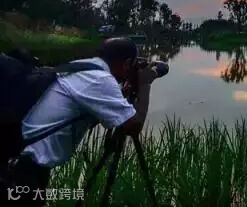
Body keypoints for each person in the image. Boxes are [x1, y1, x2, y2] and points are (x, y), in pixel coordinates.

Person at [10, 38, 158, 205]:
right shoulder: (100, 79)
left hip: (18, 156)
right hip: (24, 169)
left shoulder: (82, 67)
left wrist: (122, 93)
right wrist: (145, 83)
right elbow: (133, 126)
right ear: (127, 63)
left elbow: (91, 104)